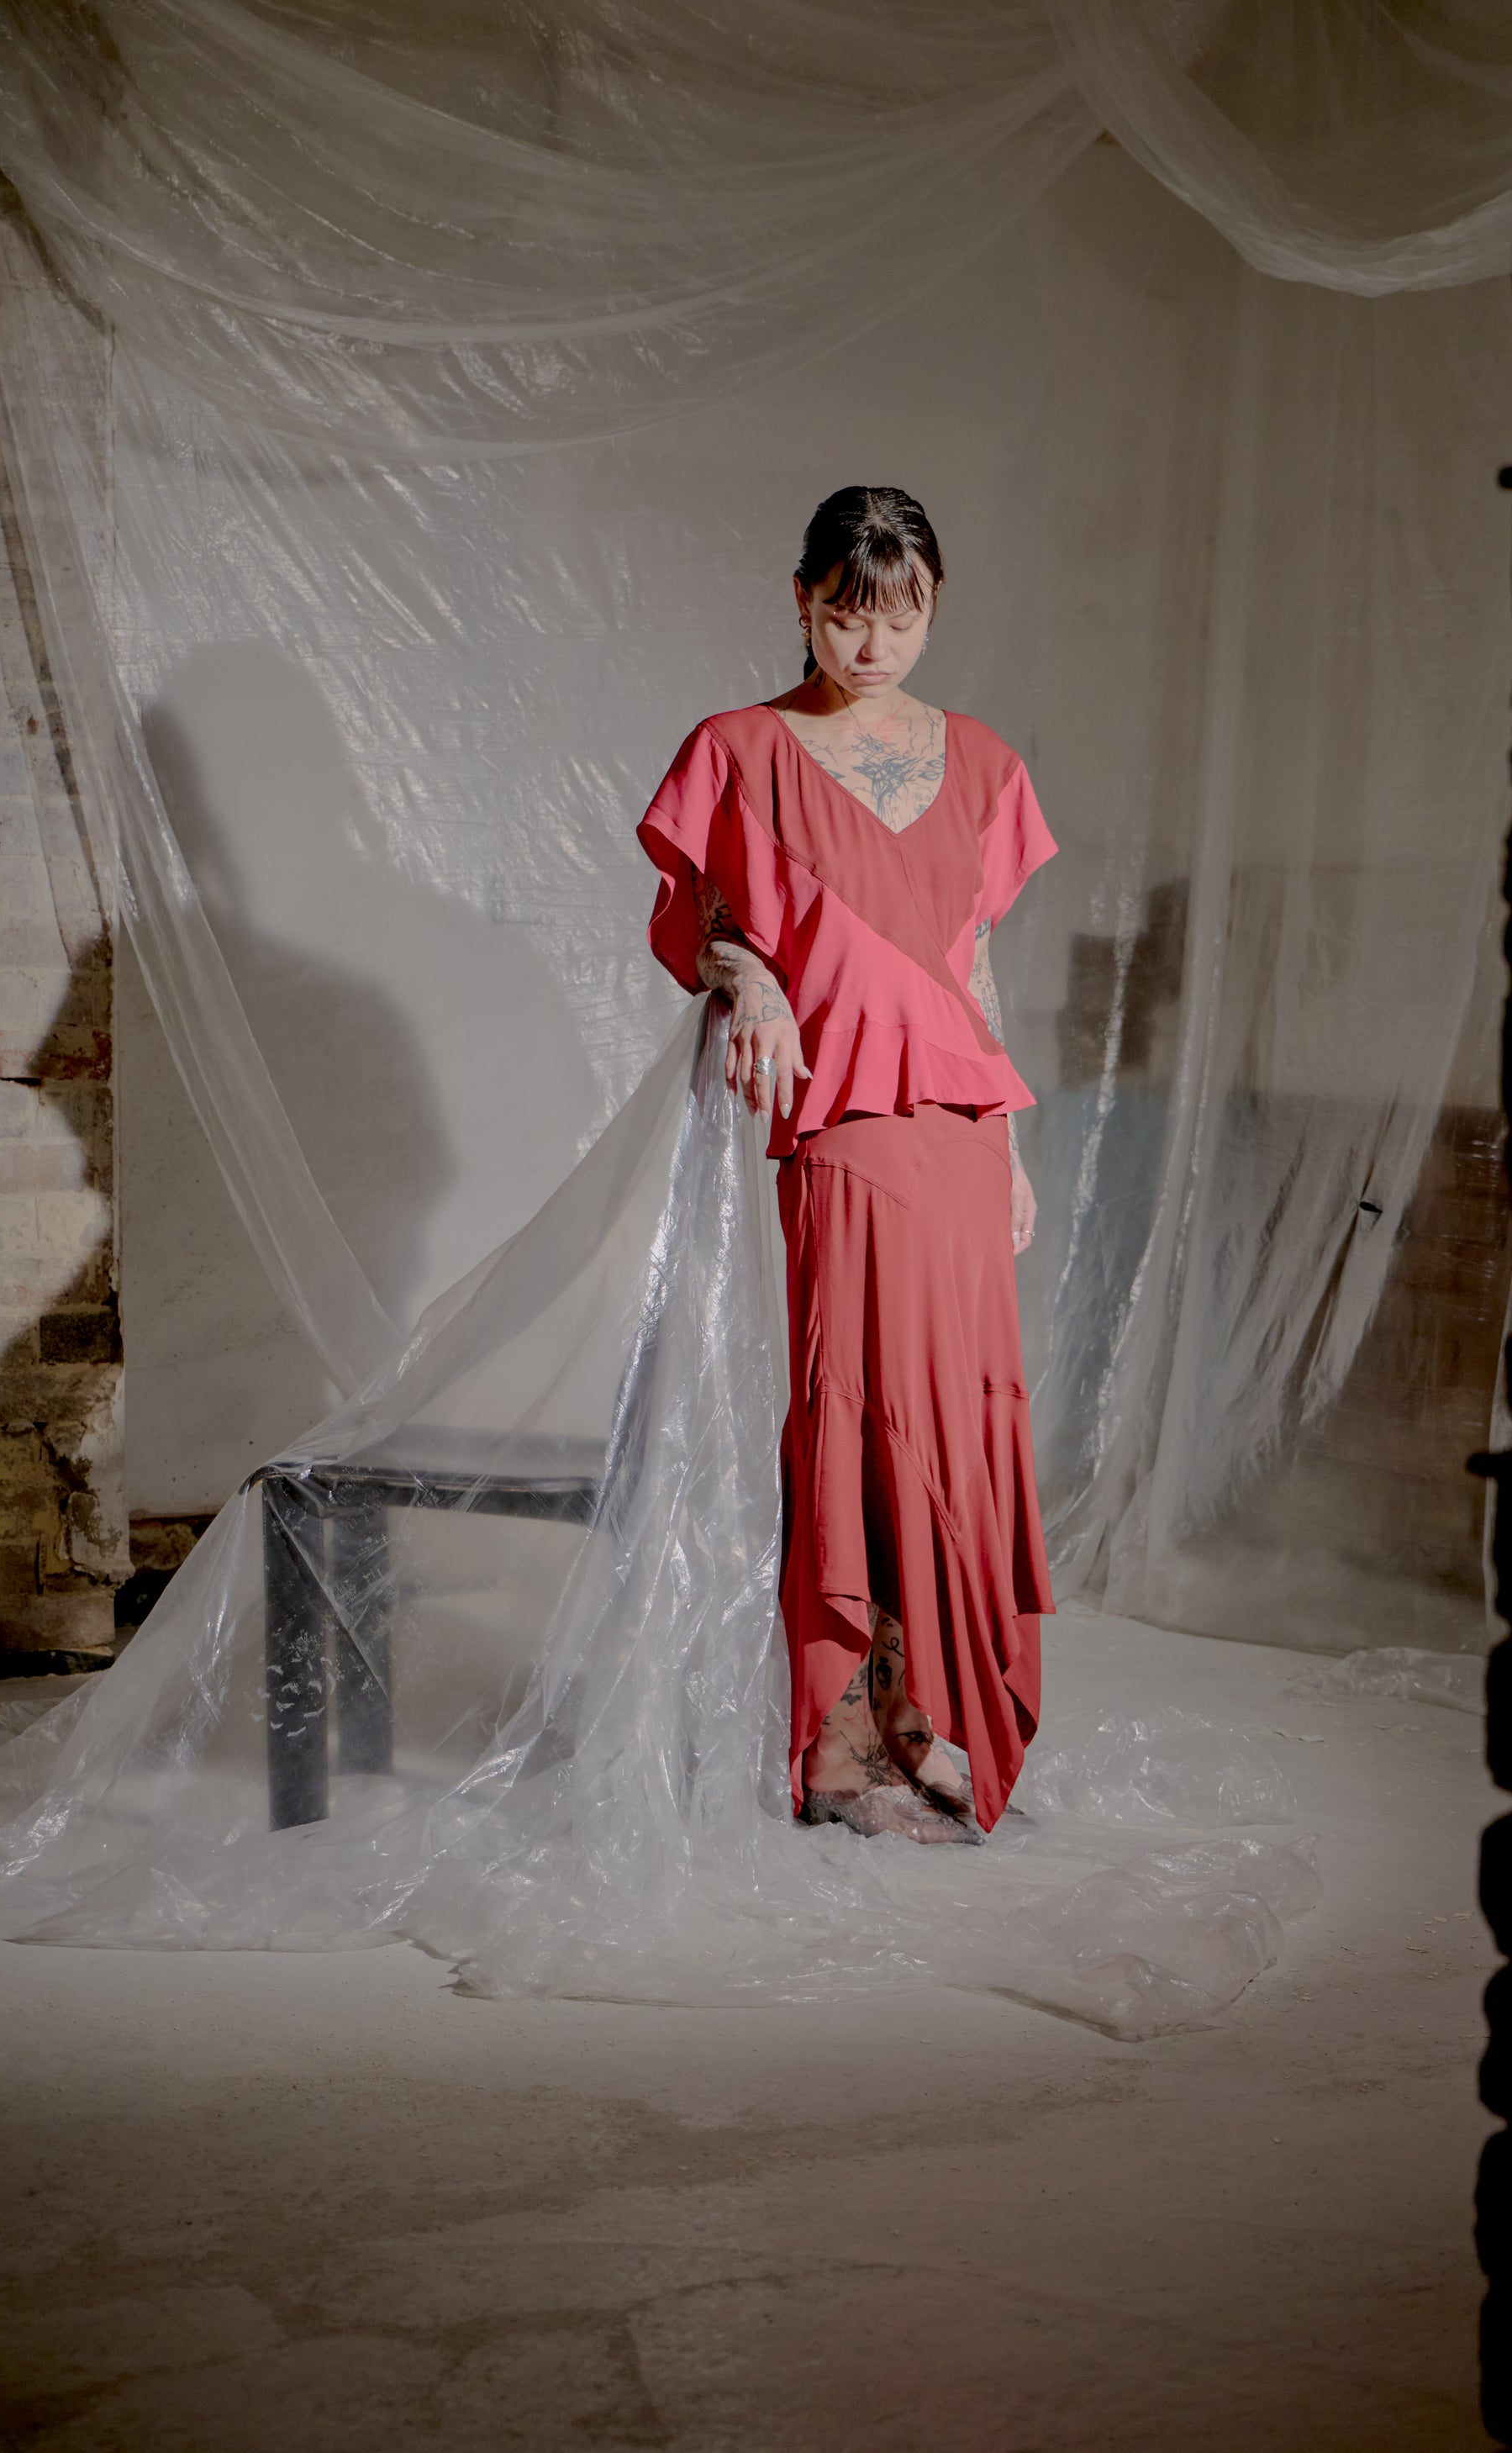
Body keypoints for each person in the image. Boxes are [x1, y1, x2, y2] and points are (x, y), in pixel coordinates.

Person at [638, 486, 1056, 1844]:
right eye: (844, 614)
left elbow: (974, 963)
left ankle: (946, 1728)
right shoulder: (740, 749)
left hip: (959, 1120)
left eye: (901, 617)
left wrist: (1016, 1154)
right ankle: (850, 1744)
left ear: (933, 607)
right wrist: (746, 978)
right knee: (858, 1406)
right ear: (803, 598)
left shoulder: (982, 761)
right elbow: (703, 920)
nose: (871, 646)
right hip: (841, 1119)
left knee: (961, 1414)